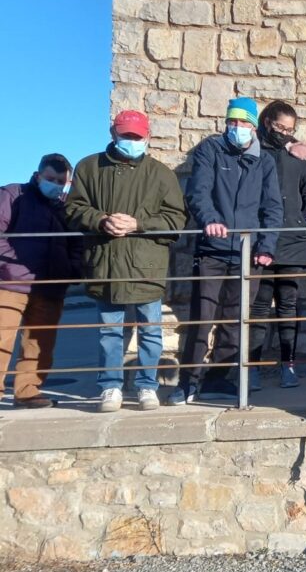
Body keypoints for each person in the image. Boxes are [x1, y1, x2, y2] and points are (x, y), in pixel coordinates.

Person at [66, 111, 187, 413]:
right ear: (113, 133)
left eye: (137, 136)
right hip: (106, 262)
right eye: (126, 135)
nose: (131, 141)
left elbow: (176, 219)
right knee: (109, 331)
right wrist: (101, 220)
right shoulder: (88, 167)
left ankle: (147, 386)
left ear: (147, 137)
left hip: (147, 264)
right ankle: (110, 387)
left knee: (150, 330)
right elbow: (73, 208)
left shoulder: (161, 174)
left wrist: (138, 224)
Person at [167, 97, 283, 405]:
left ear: (254, 127)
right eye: (232, 123)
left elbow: (272, 207)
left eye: (244, 123)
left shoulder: (265, 162)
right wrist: (210, 221)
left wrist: (266, 247)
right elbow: (198, 192)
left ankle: (218, 380)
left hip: (248, 255)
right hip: (212, 251)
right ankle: (187, 382)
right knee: (201, 320)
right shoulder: (210, 150)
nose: (237, 128)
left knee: (234, 322)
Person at [247, 100, 306, 391]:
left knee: (289, 305)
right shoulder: (252, 152)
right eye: (280, 127)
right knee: (259, 306)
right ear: (267, 122)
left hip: (293, 240)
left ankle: (288, 365)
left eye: (290, 129)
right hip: (261, 239)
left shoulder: (298, 156)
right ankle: (251, 368)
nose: (285, 134)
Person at [0, 154, 81, 408]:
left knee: (39, 343)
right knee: (2, 338)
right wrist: (13, 263)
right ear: (38, 176)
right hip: (10, 282)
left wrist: (72, 271)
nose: (55, 185)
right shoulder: (13, 195)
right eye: (50, 179)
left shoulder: (66, 206)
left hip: (50, 286)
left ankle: (28, 390)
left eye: (61, 181)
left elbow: (77, 243)